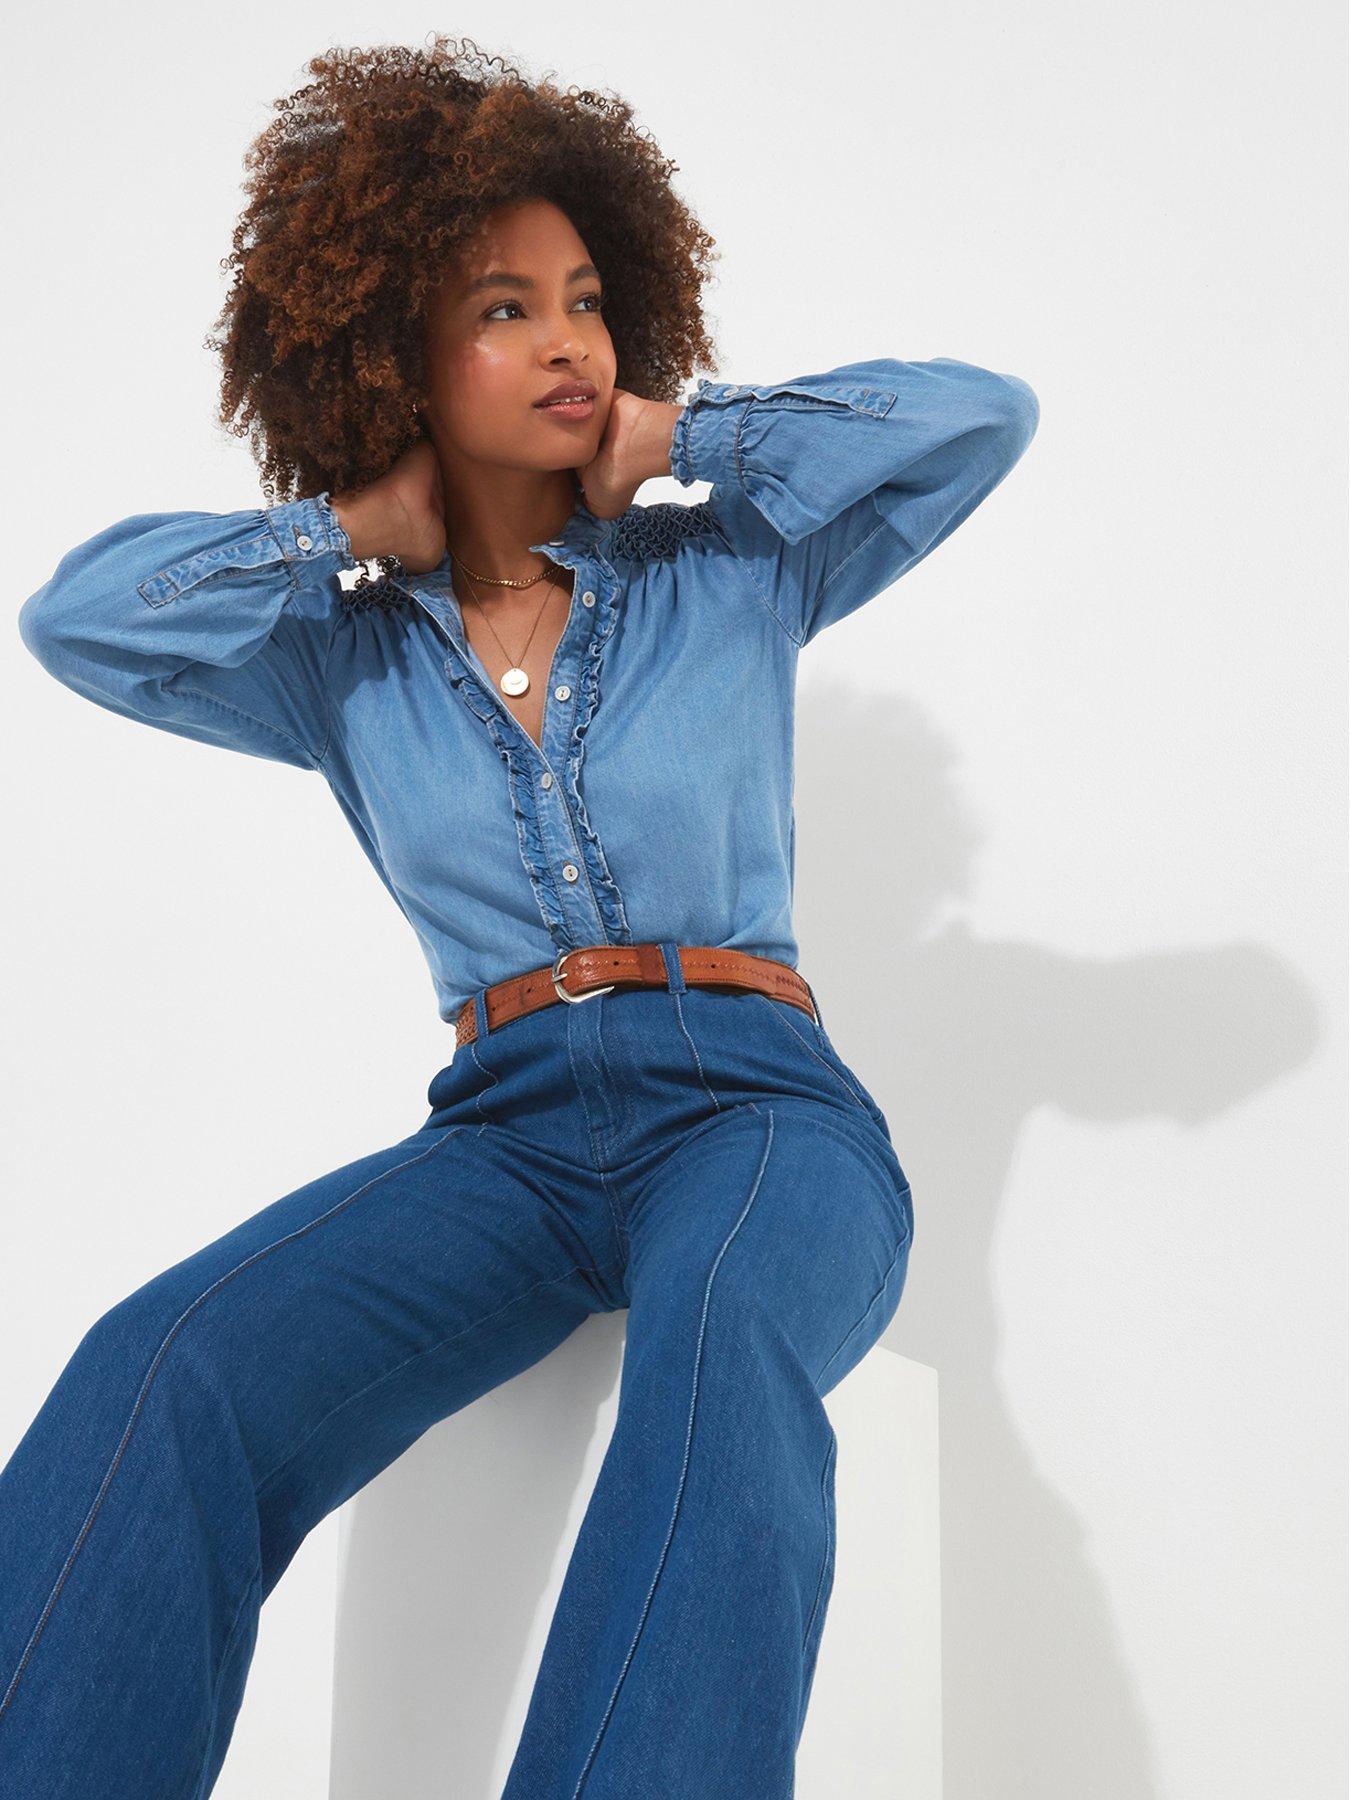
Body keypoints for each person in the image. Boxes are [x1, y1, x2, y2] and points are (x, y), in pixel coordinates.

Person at [0, 33, 1039, 1800]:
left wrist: (683, 432)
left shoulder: (734, 565)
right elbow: (77, 620)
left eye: (584, 299)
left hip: (761, 1110)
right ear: (388, 351)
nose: (567, 340)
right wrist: (348, 523)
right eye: (500, 308)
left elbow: (978, 417)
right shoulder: (335, 659)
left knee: (716, 1361)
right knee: (162, 1364)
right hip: (503, 1143)